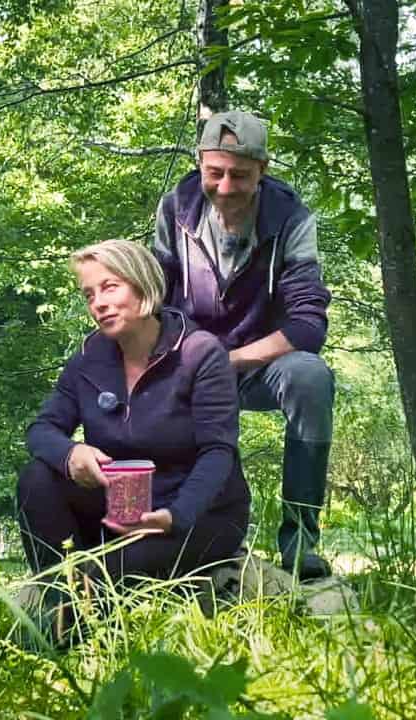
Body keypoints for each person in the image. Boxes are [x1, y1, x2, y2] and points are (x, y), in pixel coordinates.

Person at [153, 110, 335, 580]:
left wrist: (227, 360)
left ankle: (300, 541)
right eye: (215, 173)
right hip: (192, 360)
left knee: (311, 377)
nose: (226, 186)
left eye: (241, 175)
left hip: (259, 361)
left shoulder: (291, 217)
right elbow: (155, 297)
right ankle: (181, 537)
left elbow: (308, 325)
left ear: (263, 170)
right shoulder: (176, 207)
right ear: (199, 165)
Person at [17, 239, 250, 587]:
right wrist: (71, 453)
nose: (99, 304)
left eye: (110, 287)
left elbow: (219, 452)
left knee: (104, 579)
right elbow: (41, 430)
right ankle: (55, 594)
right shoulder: (88, 358)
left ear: (143, 286)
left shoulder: (200, 353)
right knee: (38, 476)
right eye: (89, 295)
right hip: (120, 508)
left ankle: (84, 597)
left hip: (195, 516)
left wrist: (176, 516)